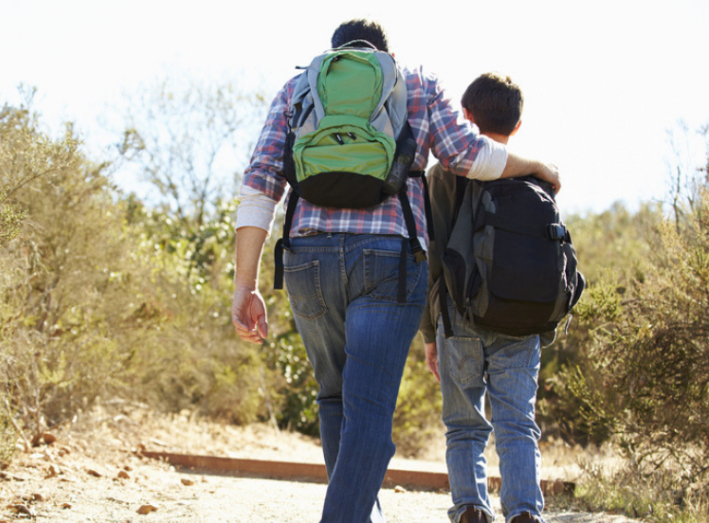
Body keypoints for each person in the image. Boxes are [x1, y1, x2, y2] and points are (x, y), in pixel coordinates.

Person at [231, 19, 561, 523]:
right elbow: (466, 155)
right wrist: (537, 166)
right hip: (390, 258)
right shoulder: (417, 84)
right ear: (385, 55)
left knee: (334, 394)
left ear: (334, 58)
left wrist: (245, 286)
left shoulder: (298, 88)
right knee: (369, 406)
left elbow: (260, 184)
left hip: (307, 255)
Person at [420, 72, 547, 523]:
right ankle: (524, 512)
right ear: (516, 124)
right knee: (518, 425)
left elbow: (430, 255)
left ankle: (471, 508)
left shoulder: (443, 174)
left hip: (459, 316)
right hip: (521, 319)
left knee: (464, 426)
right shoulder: (536, 177)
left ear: (467, 118)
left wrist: (429, 332)